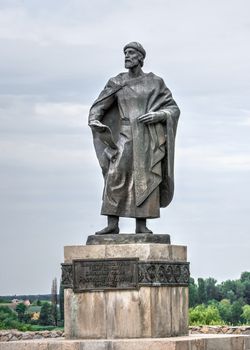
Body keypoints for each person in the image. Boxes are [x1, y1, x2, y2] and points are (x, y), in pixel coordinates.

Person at [88, 42, 180, 235]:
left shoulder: (155, 82)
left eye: (131, 53)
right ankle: (112, 223)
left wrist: (160, 115)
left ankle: (141, 225)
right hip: (125, 134)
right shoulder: (117, 82)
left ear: (140, 58)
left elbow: (173, 108)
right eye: (125, 53)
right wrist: (95, 120)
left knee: (145, 178)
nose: (127, 56)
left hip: (147, 137)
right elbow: (99, 107)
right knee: (115, 175)